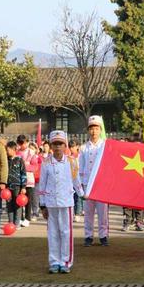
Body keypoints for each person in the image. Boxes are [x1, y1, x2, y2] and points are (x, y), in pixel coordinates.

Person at [39, 131, 83, 273]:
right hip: (51, 203)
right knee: (53, 233)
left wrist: (83, 194)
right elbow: (42, 185)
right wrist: (42, 204)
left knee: (66, 232)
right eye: (55, 144)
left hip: (66, 202)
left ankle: (66, 261)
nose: (58, 147)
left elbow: (76, 181)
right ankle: (54, 262)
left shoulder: (71, 161)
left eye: (60, 144)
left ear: (65, 145)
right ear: (51, 146)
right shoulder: (46, 163)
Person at [79, 115, 109, 246]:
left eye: (96, 128)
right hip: (87, 185)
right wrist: (80, 184)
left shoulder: (106, 146)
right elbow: (80, 166)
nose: (94, 131)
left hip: (101, 184)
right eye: (91, 128)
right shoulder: (84, 148)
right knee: (88, 213)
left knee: (103, 213)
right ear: (88, 130)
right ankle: (88, 236)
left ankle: (103, 237)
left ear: (100, 130)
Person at [16, 135, 39, 227]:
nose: (22, 145)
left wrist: (25, 167)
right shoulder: (17, 153)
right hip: (18, 180)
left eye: (24, 143)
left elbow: (35, 167)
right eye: (20, 143)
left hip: (29, 180)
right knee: (19, 200)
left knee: (28, 200)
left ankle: (27, 218)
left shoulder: (32, 153)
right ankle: (20, 217)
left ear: (28, 142)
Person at [5, 141, 27, 229]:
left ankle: (17, 223)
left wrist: (24, 187)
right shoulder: (6, 160)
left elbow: (23, 173)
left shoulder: (19, 160)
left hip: (17, 186)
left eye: (8, 150)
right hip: (7, 187)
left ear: (14, 149)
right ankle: (10, 223)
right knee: (9, 205)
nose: (7, 151)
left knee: (18, 205)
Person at [68, 139, 83, 222]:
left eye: (73, 147)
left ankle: (77, 213)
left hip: (80, 179)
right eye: (70, 147)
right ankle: (73, 213)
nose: (71, 149)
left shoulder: (81, 156)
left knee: (79, 197)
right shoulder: (68, 158)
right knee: (73, 197)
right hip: (72, 180)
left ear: (77, 146)